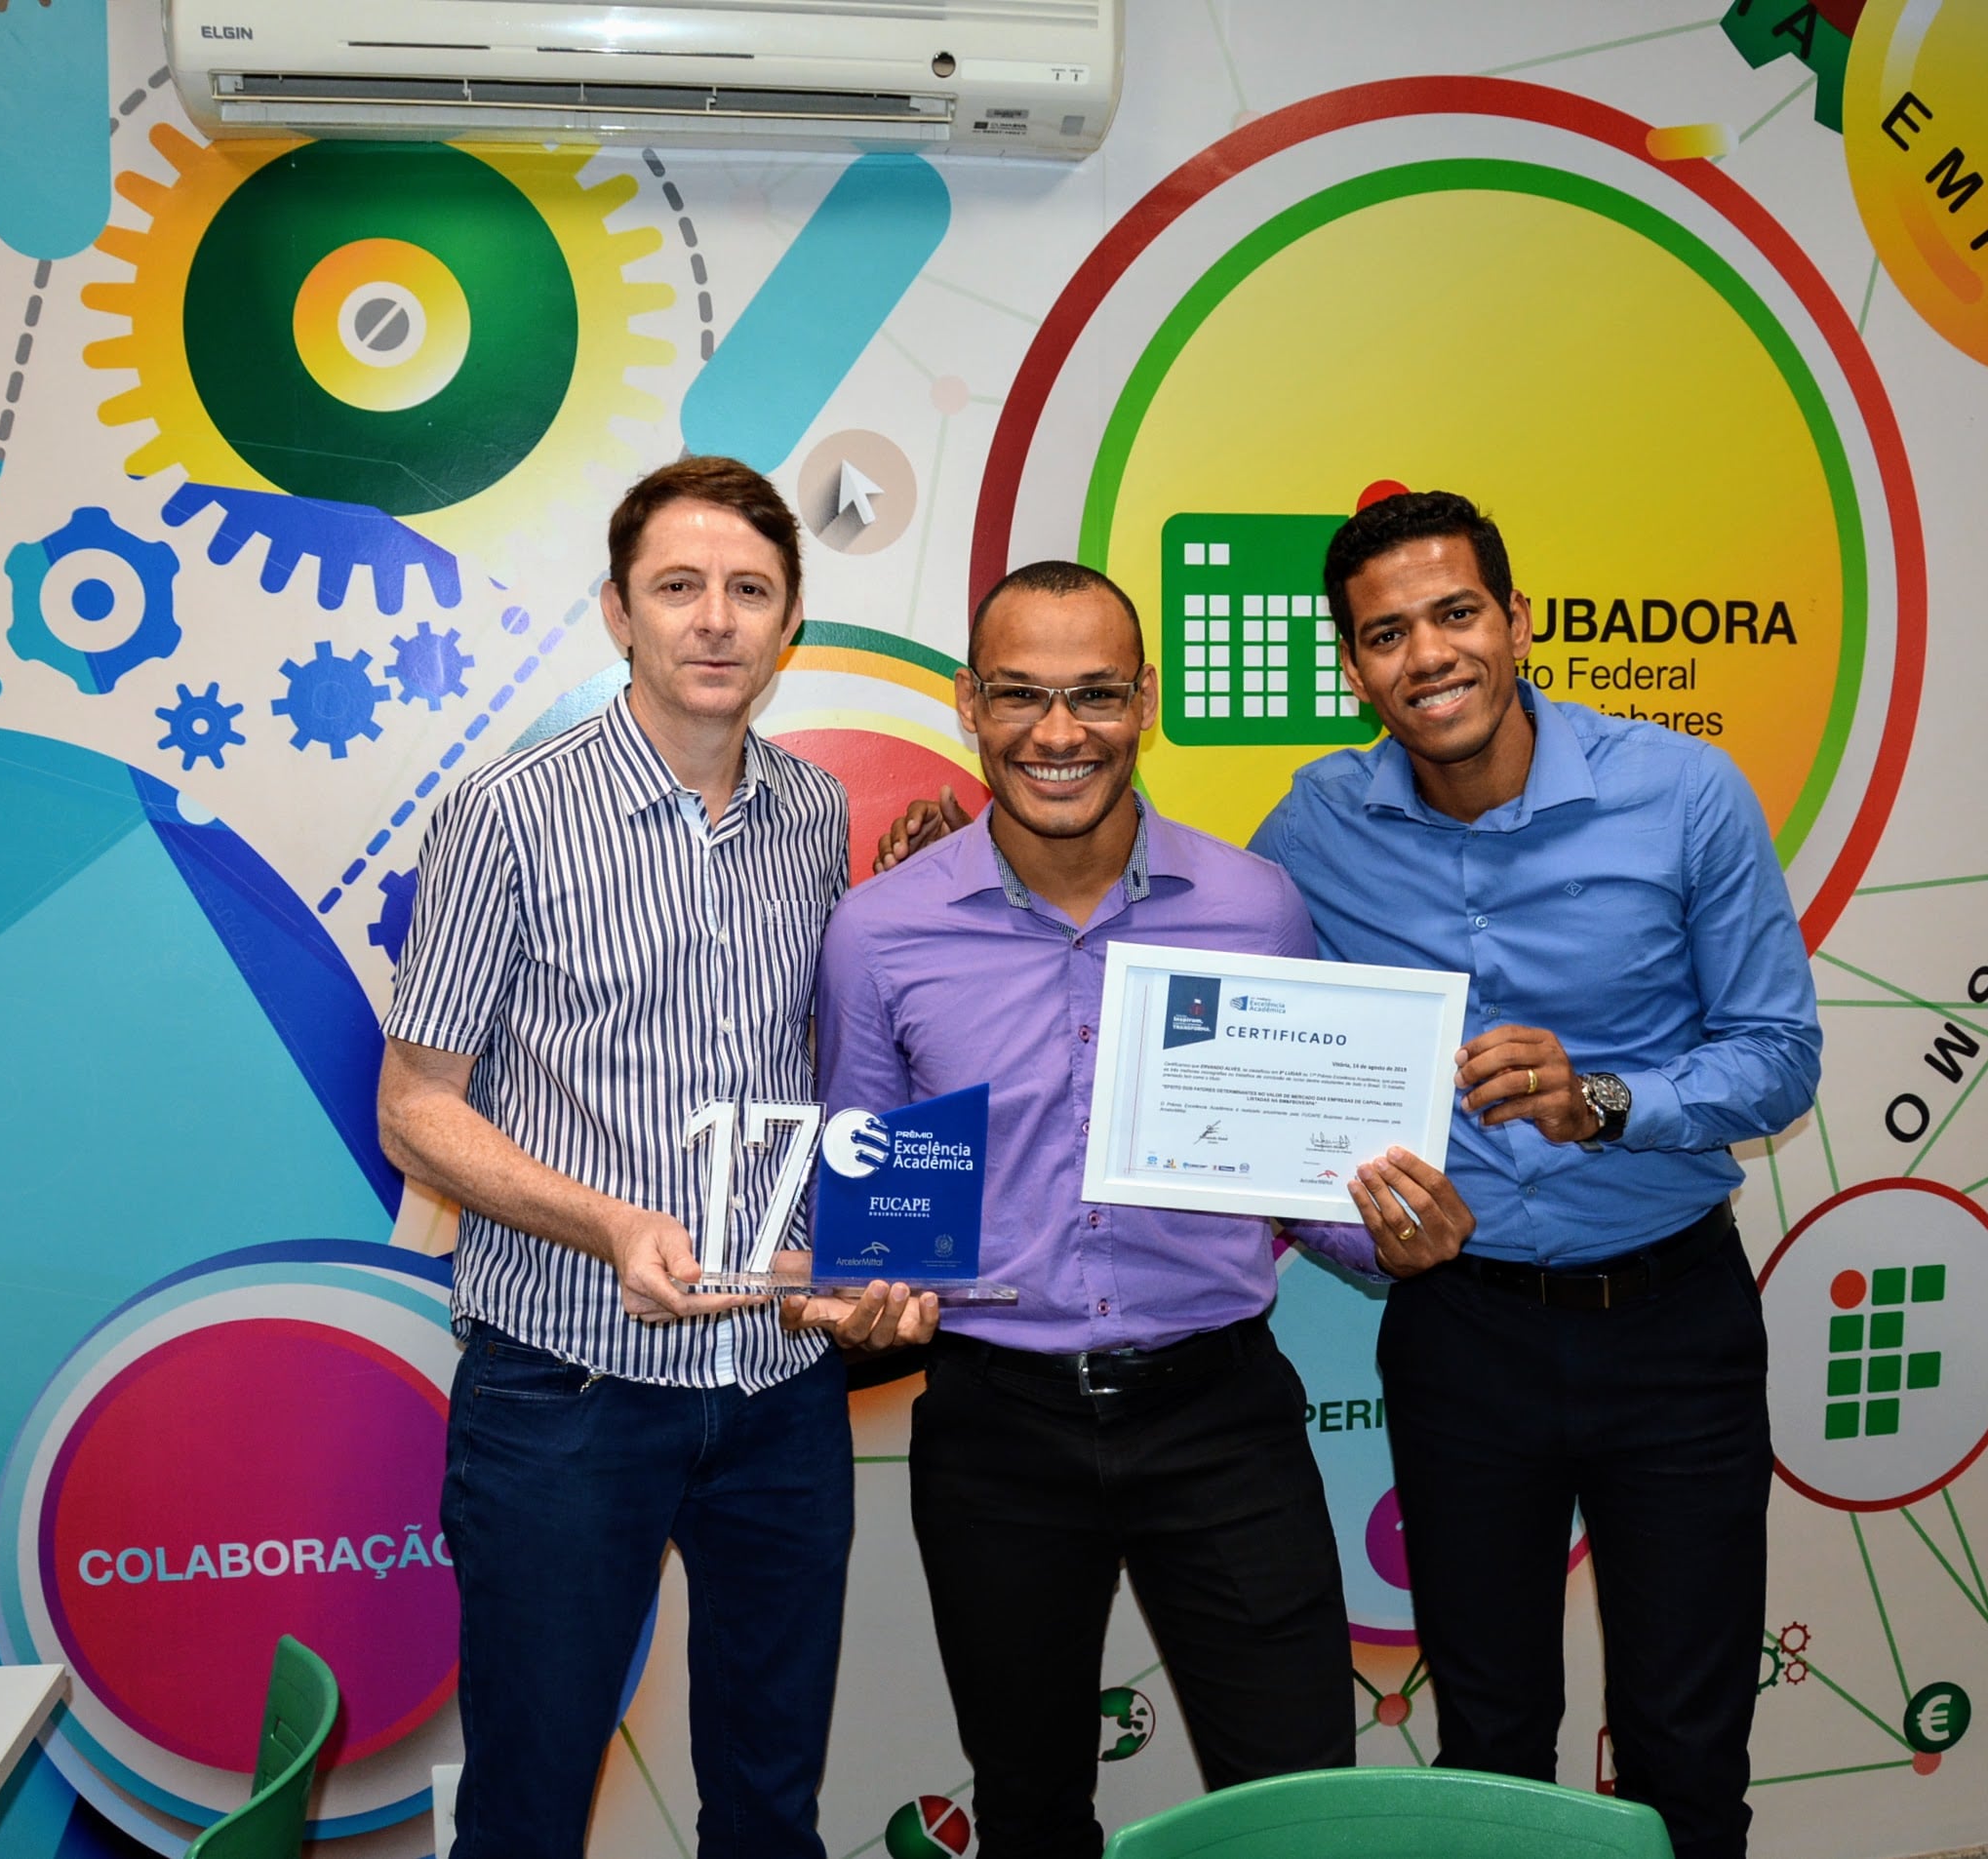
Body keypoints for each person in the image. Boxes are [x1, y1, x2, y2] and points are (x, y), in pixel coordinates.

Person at [819, 560, 1474, 1859]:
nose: (1058, 732)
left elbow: (1298, 1183)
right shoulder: (879, 932)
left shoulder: (1255, 906)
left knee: (1298, 1813)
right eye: (1020, 694)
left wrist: (1394, 1238)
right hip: (997, 1428)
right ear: (969, 705)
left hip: (1219, 1416)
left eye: (1096, 694)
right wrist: (860, 1299)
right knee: (1030, 1811)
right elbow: (873, 1223)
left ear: (1147, 703)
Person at [1249, 491, 1822, 1859]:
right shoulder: (1315, 825)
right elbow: (1245, 1055)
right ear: (1354, 665)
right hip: (1465, 1335)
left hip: (1674, 1328)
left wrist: (1606, 1100)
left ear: (1515, 622)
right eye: (1386, 632)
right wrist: (1358, 1235)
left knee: (1687, 1743)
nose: (1428, 655)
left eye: (1455, 614)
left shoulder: (1683, 792)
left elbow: (1780, 1055)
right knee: (1490, 1745)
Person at [378, 455, 934, 1859]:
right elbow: (416, 1108)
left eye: (750, 589)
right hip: (567, 1388)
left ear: (790, 621)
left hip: (778, 1388)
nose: (715, 619)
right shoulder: (508, 812)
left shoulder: (813, 813)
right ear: (619, 612)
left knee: (770, 1804)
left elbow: (817, 1077)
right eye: (679, 587)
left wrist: (863, 1255)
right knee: (528, 1810)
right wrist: (610, 1224)